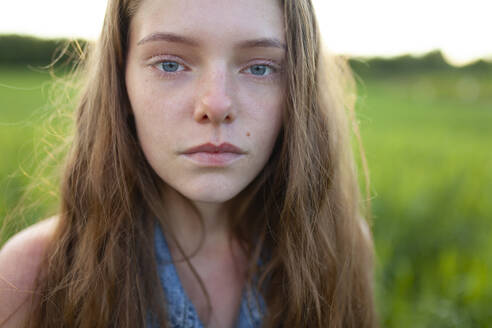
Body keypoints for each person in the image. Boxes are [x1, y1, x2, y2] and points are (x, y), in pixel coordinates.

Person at [0, 0, 376, 327]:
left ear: (299, 86)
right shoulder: (31, 276)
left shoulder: (340, 249)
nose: (216, 104)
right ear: (120, 79)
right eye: (169, 64)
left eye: (259, 68)